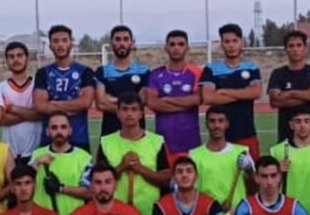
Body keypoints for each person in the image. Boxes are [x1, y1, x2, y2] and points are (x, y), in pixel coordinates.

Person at [96, 94, 171, 215]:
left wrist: (141, 169)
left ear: (141, 114)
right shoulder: (106, 142)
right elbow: (98, 180)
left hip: (149, 213)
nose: (129, 114)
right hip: (115, 214)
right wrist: (121, 167)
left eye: (134, 109)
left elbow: (166, 179)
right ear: (118, 113)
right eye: (125, 109)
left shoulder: (157, 142)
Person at [200, 22, 263, 157]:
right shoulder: (211, 69)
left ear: (241, 43)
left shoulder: (252, 67)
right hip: (221, 137)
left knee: (251, 170)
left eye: (235, 41)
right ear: (221, 44)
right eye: (227, 41)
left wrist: (224, 91)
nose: (231, 45)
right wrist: (244, 93)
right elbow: (208, 98)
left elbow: (256, 92)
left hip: (247, 132)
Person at [35, 24, 97, 151]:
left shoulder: (85, 72)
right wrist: (74, 106)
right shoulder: (43, 73)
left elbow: (85, 103)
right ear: (50, 45)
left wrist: (53, 103)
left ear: (71, 43)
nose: (60, 45)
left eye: (64, 40)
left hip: (79, 138)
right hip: (50, 139)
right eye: (56, 41)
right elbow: (40, 105)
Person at [145, 29, 204, 160]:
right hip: (164, 141)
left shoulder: (197, 73)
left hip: (191, 141)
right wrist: (186, 103)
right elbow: (153, 103)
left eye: (181, 44)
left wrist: (166, 100)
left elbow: (197, 99)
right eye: (172, 44)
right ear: (166, 48)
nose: (176, 48)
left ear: (187, 48)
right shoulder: (155, 74)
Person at [31, 112, 94, 215]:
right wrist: (35, 164)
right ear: (47, 131)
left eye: (63, 127)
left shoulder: (84, 157)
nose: (59, 131)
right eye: (54, 128)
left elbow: (90, 192)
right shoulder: (36, 155)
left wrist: (60, 188)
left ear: (70, 130)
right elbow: (24, 187)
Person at [268, 30, 310, 142]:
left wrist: (291, 93)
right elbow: (275, 101)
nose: (295, 49)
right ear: (286, 50)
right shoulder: (278, 73)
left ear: (305, 49)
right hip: (287, 133)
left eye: (299, 45)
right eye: (291, 46)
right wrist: (309, 95)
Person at [189, 108, 255, 209]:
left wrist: (250, 171)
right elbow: (191, 191)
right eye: (212, 121)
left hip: (237, 213)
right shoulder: (194, 155)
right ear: (206, 124)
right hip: (207, 213)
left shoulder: (242, 152)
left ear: (227, 124)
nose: (217, 126)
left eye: (221, 121)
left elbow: (255, 187)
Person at [93, 25, 150, 140]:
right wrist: (131, 107)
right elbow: (101, 104)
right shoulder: (102, 71)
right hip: (109, 135)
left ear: (132, 43)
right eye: (118, 39)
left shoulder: (144, 71)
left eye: (125, 39)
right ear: (111, 43)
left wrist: (112, 99)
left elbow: (142, 101)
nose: (122, 43)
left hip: (137, 136)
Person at [0, 41, 44, 163]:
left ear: (27, 59)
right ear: (6, 61)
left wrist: (13, 108)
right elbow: (1, 120)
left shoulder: (39, 85)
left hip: (36, 151)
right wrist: (31, 113)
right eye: (11, 57)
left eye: (19, 55)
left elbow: (41, 114)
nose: (15, 60)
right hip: (10, 153)